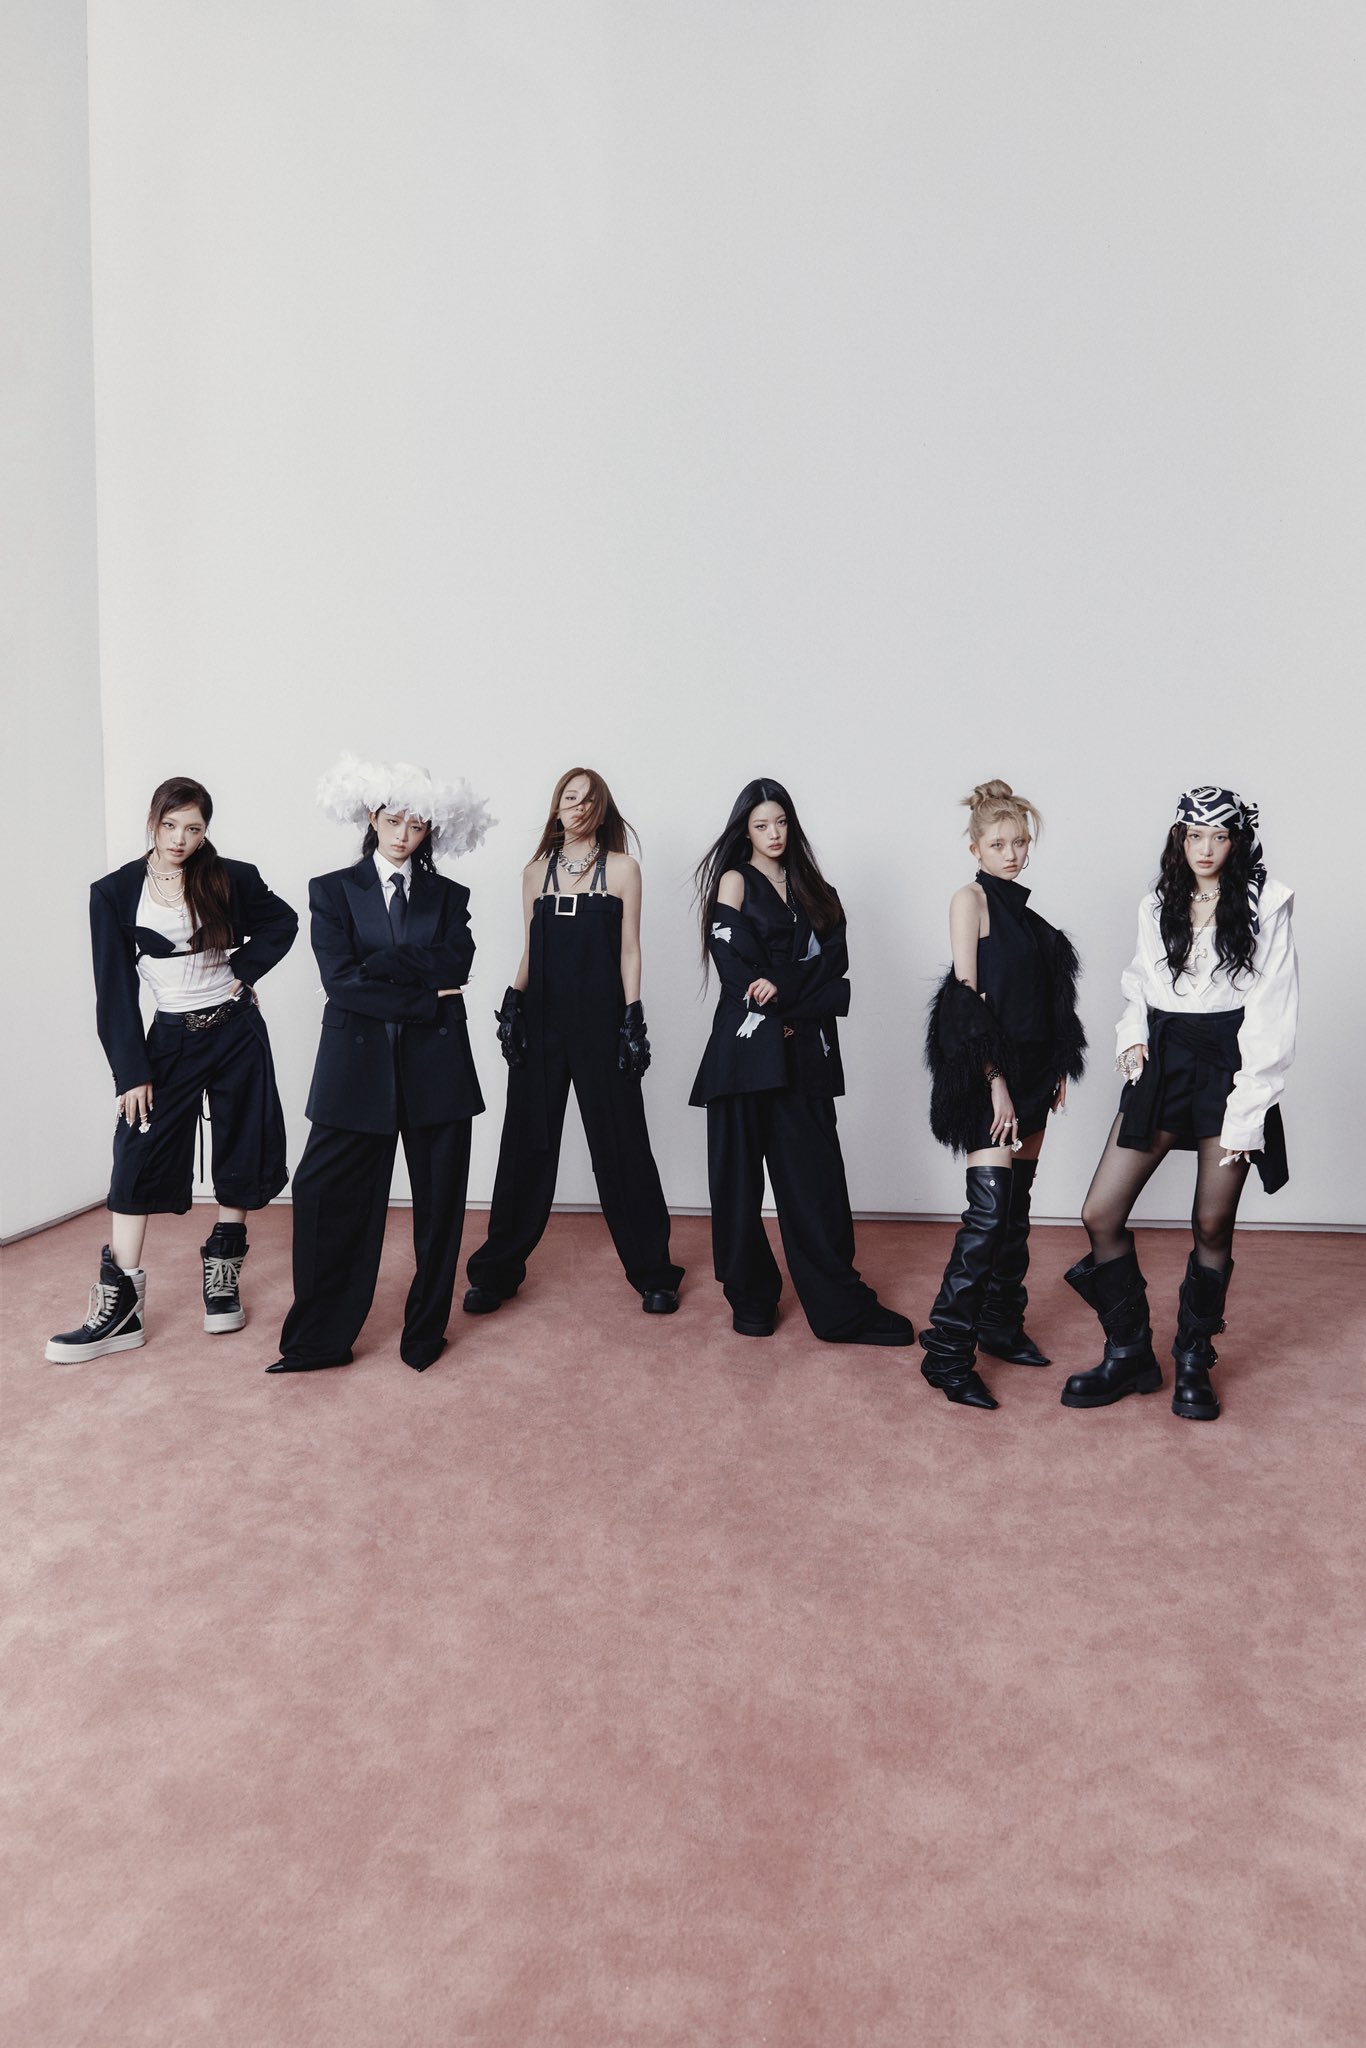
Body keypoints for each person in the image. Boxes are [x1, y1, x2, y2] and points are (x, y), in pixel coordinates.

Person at [1061, 786, 1297, 1421]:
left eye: (1219, 836)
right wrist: (1133, 1035)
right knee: (1100, 1212)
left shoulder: (1268, 904)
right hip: (1165, 1058)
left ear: (1237, 841)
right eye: (1195, 836)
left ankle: (1194, 1359)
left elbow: (1273, 1013)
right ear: (1180, 838)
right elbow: (1140, 980)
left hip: (1229, 1063)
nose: (1206, 848)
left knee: (1212, 1224)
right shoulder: (1157, 902)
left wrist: (1249, 1108)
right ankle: (1129, 1352)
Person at [46, 776, 297, 1362]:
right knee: (136, 1151)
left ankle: (223, 1270)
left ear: (206, 831)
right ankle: (122, 1305)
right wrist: (130, 1072)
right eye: (171, 825)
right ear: (153, 821)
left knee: (243, 1139)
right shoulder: (114, 893)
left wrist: (243, 973)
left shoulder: (231, 877)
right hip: (170, 1039)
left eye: (194, 828)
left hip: (236, 1031)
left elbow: (283, 922)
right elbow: (113, 993)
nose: (181, 838)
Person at [267, 754, 494, 1374]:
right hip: (355, 1069)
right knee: (324, 1197)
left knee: (440, 1212)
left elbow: (458, 963)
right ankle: (319, 1341)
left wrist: (384, 965)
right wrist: (425, 995)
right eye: (393, 821)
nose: (403, 835)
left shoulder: (449, 896)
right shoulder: (331, 890)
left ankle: (424, 1335)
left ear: (430, 830)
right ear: (372, 818)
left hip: (438, 1070)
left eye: (416, 826)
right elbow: (341, 984)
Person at [691, 778, 914, 1345]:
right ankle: (751, 1299)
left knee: (816, 1184)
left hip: (806, 1056)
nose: (773, 833)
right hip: (743, 1058)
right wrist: (803, 986)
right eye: (761, 824)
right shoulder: (735, 881)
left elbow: (836, 967)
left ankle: (839, 1310)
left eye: (781, 822)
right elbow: (736, 970)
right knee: (737, 1187)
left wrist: (784, 984)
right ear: (745, 830)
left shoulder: (817, 890)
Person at [463, 767, 683, 1316]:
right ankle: (496, 1272)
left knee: (622, 1144)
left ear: (601, 810)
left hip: (602, 1022)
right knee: (525, 1146)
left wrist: (632, 1018)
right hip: (541, 1021)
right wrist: (512, 1004)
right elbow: (531, 949)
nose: (578, 807)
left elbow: (630, 950)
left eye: (588, 800)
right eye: (569, 797)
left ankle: (653, 1272)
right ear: (556, 806)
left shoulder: (624, 869)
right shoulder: (534, 872)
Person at [920, 780, 1087, 1408]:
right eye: (998, 844)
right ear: (975, 848)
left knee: (1014, 1212)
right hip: (985, 1072)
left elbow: (1045, 1004)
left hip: (1035, 1074)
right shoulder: (970, 900)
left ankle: (1000, 1324)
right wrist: (995, 1085)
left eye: (1020, 842)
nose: (1012, 853)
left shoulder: (1036, 924)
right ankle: (945, 1353)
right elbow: (967, 1000)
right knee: (987, 1216)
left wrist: (1059, 1065)